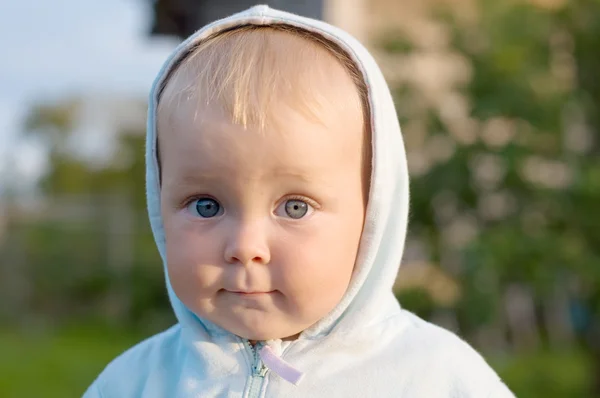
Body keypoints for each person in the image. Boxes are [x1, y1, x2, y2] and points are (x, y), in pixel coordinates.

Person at [84, 5, 515, 397]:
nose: (246, 247)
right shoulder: (135, 383)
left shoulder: (435, 378)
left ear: (371, 216)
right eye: (206, 205)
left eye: (295, 207)